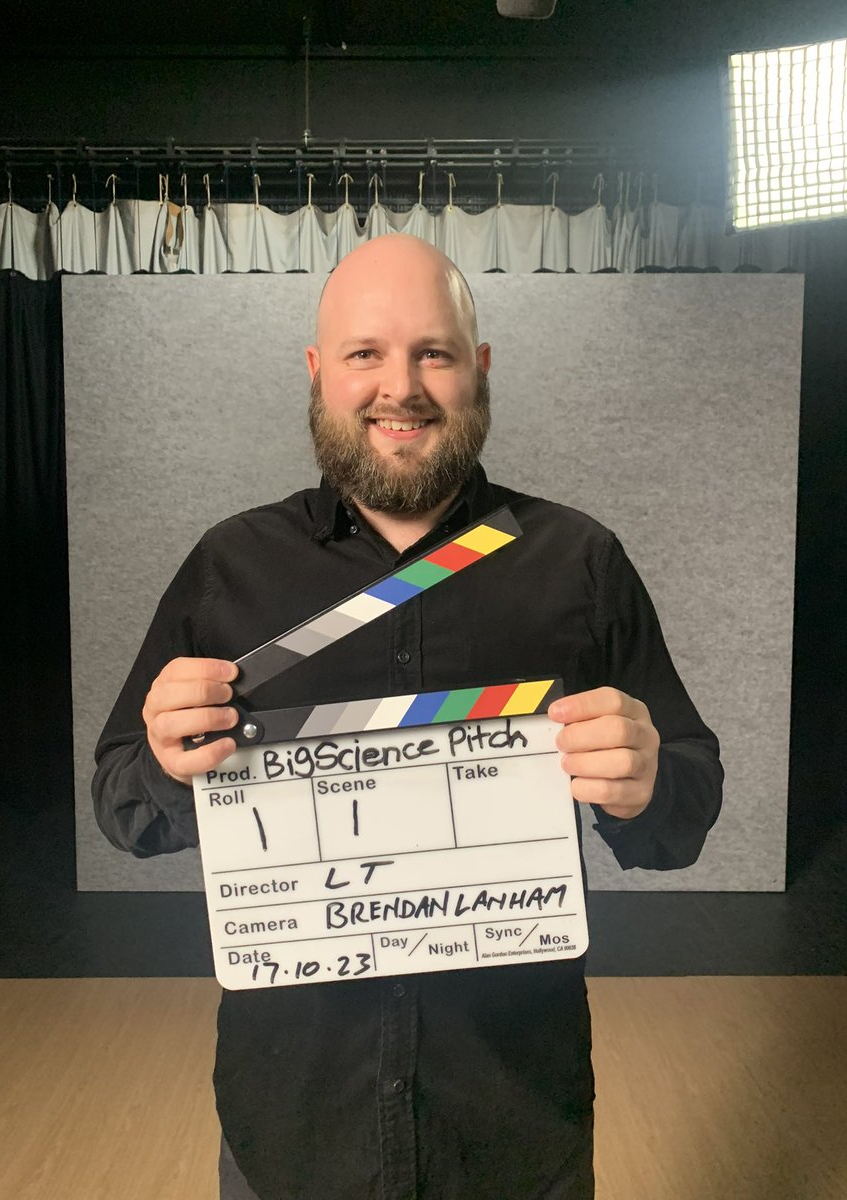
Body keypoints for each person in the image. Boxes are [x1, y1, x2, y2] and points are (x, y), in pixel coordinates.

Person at [93, 234, 723, 1200]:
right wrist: (163, 765)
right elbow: (122, 805)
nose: (402, 385)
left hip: (514, 1122)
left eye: (433, 352)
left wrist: (648, 779)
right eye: (365, 354)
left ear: (478, 369)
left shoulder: (576, 560)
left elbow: (685, 800)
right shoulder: (231, 566)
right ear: (317, 372)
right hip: (292, 1127)